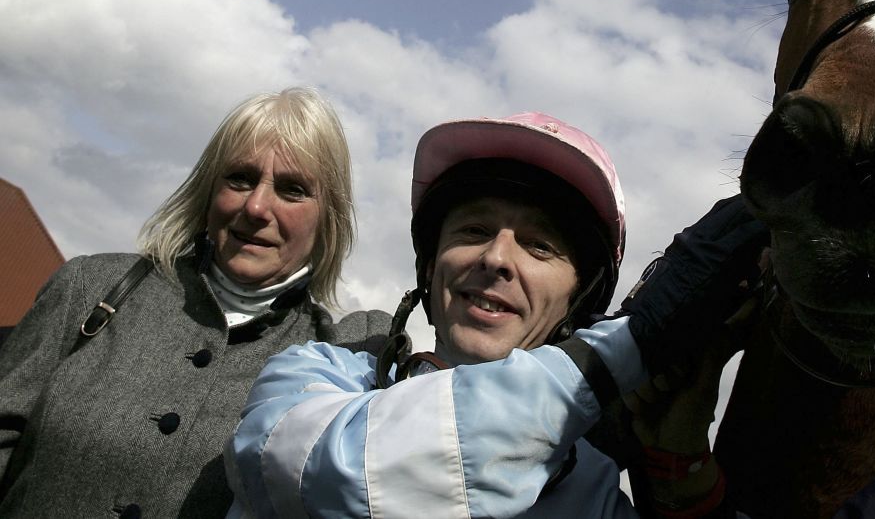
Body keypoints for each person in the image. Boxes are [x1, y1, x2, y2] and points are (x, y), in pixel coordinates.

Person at [226, 112, 767, 518]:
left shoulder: (596, 489)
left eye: (538, 247)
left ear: (577, 303)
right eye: (474, 231)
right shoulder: (313, 377)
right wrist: (630, 344)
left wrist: (679, 459)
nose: (495, 259)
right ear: (430, 267)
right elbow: (333, 476)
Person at [0, 88, 394, 519]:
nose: (257, 206)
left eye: (293, 189)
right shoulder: (90, 286)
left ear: (328, 217)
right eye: (240, 178)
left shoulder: (338, 360)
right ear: (208, 190)